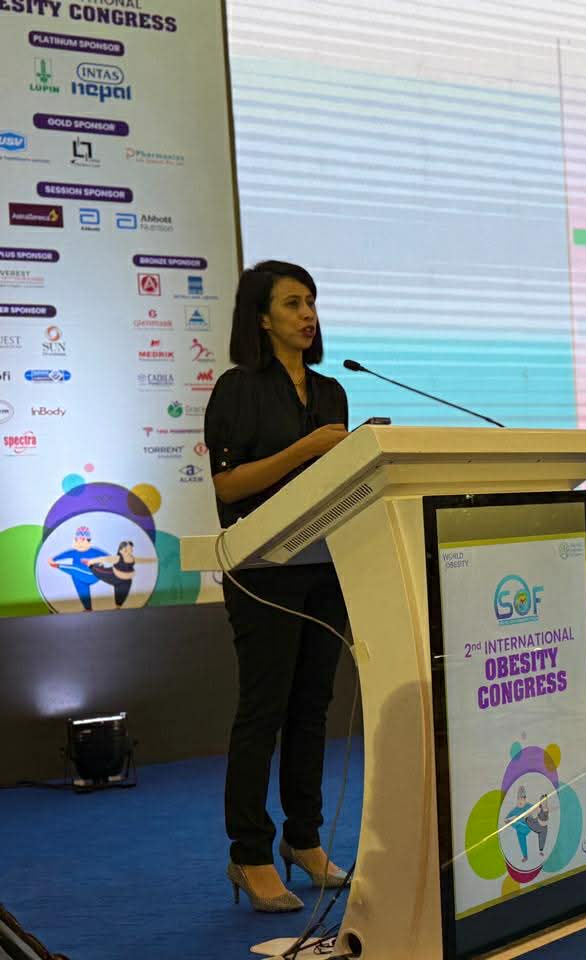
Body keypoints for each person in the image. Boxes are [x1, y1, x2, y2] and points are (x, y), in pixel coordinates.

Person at [204, 260, 351, 912]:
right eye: (293, 303)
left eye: (311, 301)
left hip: (326, 564)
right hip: (262, 571)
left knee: (311, 708)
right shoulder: (238, 389)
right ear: (261, 318)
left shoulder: (331, 392)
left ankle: (304, 838)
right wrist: (306, 450)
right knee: (263, 711)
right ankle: (249, 854)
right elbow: (228, 485)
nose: (307, 313)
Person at [48, 525, 108, 611]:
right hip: (78, 577)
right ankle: (88, 609)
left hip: (92, 574)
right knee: (80, 585)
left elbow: (110, 557)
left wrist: (101, 562)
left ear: (88, 540)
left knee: (75, 569)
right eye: (77, 540)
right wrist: (53, 559)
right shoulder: (73, 552)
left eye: (82, 540)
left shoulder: (94, 551)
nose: (79, 543)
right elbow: (64, 555)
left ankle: (59, 566)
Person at [87, 540, 155, 608]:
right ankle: (91, 565)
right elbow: (104, 559)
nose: (130, 550)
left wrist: (153, 560)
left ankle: (118, 607)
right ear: (121, 550)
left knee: (120, 599)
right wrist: (91, 561)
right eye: (127, 549)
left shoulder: (132, 558)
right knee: (98, 571)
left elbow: (142, 560)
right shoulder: (117, 558)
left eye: (131, 548)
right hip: (112, 576)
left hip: (125, 582)